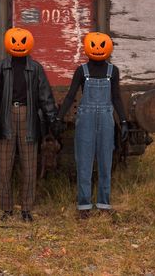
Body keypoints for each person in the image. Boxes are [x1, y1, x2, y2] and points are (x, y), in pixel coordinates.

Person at [0, 27, 57, 222]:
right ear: (8, 44)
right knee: (4, 166)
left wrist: (52, 118)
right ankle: (6, 209)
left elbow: (45, 96)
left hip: (28, 117)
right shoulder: (0, 67)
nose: (18, 44)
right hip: (6, 117)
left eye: (22, 40)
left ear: (29, 43)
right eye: (14, 41)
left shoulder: (36, 68)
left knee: (29, 166)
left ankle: (26, 209)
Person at [54, 32, 128, 219]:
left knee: (105, 161)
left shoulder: (113, 71)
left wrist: (124, 121)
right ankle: (84, 205)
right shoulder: (81, 71)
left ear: (108, 48)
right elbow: (71, 95)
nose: (97, 48)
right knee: (84, 163)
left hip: (106, 119)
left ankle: (104, 204)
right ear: (87, 48)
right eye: (93, 45)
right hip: (85, 120)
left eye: (101, 45)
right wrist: (59, 118)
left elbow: (117, 98)